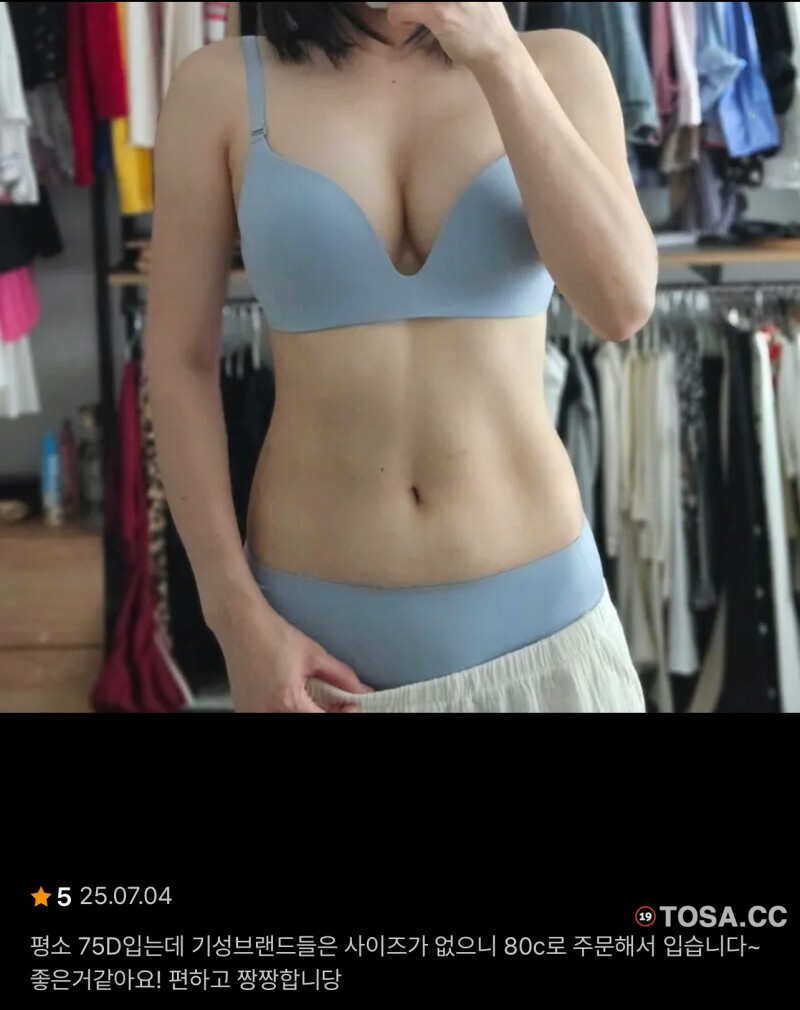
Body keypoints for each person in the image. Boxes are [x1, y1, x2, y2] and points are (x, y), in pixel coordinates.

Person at [146, 2, 657, 714]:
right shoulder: (221, 84)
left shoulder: (560, 65)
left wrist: (498, 57)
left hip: (544, 627)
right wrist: (234, 616)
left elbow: (621, 305)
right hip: (315, 648)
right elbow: (179, 362)